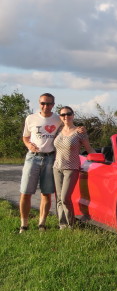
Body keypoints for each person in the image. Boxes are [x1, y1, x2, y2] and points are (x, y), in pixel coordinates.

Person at [19, 93, 61, 232]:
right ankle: (24, 225)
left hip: (50, 158)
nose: (45, 106)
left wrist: (80, 129)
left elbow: (68, 128)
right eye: (43, 103)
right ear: (39, 103)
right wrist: (28, 145)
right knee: (25, 192)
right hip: (33, 157)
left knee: (46, 193)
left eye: (49, 104)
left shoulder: (57, 119)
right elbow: (25, 137)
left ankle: (41, 224)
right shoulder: (31, 118)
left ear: (53, 105)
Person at [53, 106, 94, 229]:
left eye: (68, 114)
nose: (66, 117)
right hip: (57, 167)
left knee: (65, 198)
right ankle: (62, 225)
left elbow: (89, 149)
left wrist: (100, 158)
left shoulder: (80, 132)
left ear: (73, 115)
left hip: (72, 168)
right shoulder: (58, 130)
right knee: (59, 199)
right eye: (63, 115)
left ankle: (71, 224)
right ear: (60, 117)